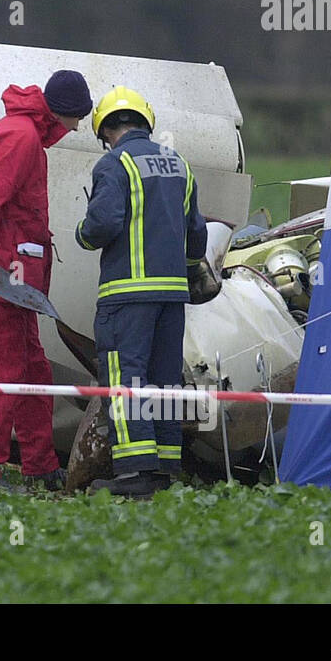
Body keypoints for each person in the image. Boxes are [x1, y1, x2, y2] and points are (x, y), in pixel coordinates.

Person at [0, 70, 92, 492]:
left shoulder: (25, 134)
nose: (76, 128)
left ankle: (40, 466)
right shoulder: (22, 137)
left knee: (32, 371)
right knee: (5, 374)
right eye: (76, 118)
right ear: (63, 112)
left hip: (13, 283)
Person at [74, 86, 208, 498]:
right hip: (172, 297)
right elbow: (197, 235)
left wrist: (82, 234)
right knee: (164, 382)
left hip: (127, 295)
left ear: (106, 130)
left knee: (125, 378)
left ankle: (133, 476)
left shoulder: (113, 164)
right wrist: (183, 273)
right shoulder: (180, 165)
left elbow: (103, 223)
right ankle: (163, 469)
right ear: (144, 123)